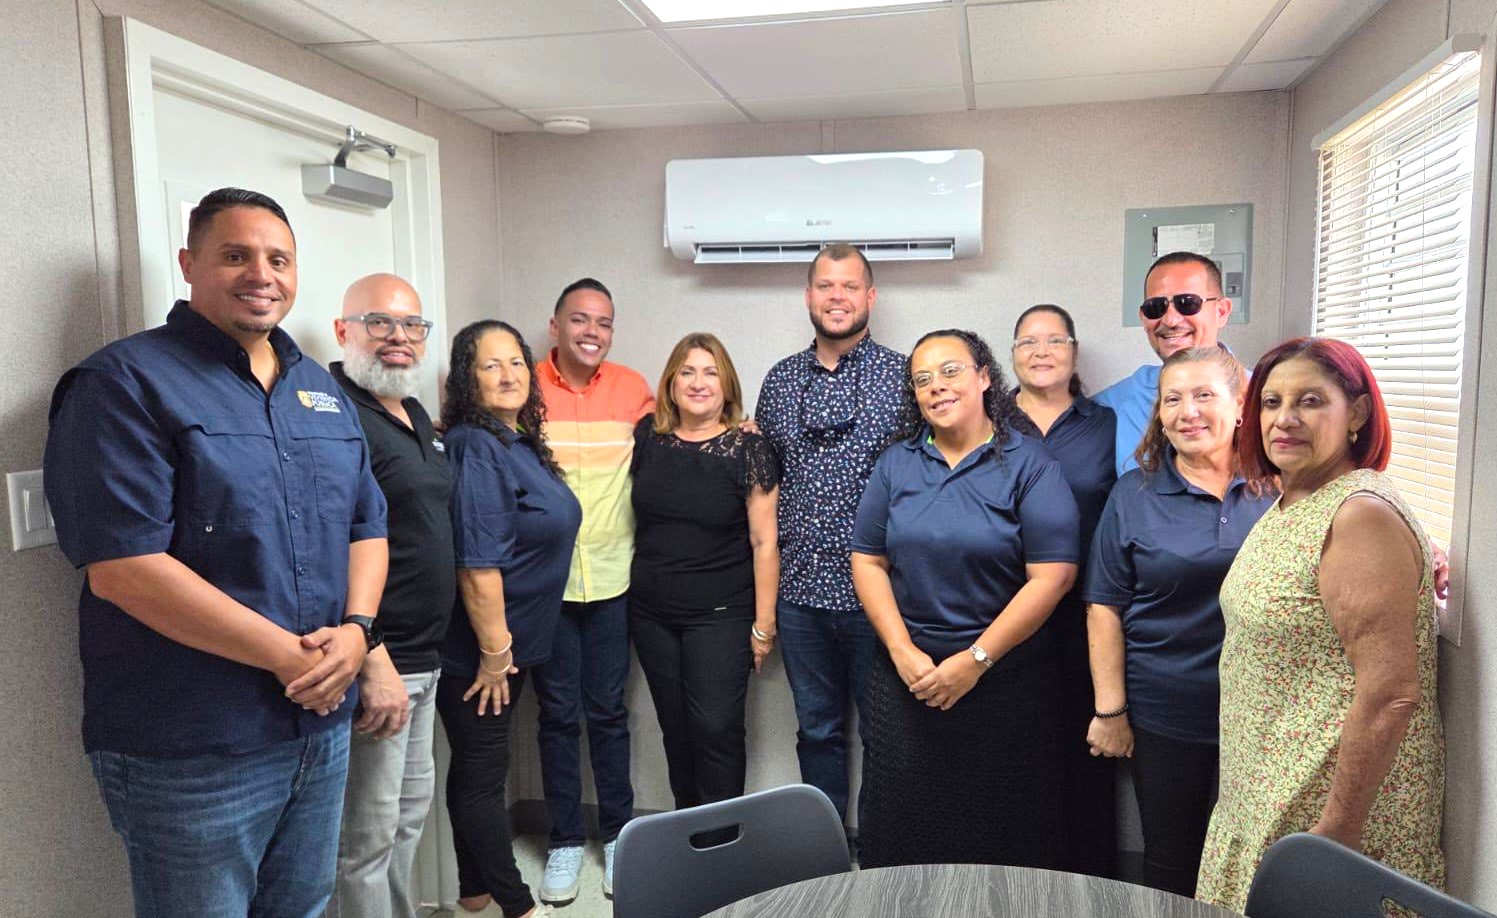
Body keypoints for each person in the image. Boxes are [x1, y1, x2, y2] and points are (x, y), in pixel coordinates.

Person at [43, 187, 389, 918]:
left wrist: (358, 634)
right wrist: (294, 660)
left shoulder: (318, 390)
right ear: (189, 264)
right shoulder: (123, 383)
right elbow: (125, 570)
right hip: (195, 743)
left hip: (317, 730)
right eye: (234, 255)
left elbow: (367, 526)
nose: (260, 274)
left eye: (277, 259)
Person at [1197, 337, 1445, 911]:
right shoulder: (1296, 499)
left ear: (1356, 412)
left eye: (1310, 401)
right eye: (1270, 402)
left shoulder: (1357, 514)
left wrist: (1335, 838)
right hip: (1266, 792)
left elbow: (1391, 695)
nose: (1285, 419)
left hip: (1326, 812)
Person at [850, 328, 1080, 869]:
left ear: (983, 378)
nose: (937, 387)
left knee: (1003, 828)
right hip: (908, 678)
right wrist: (904, 653)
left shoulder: (1030, 464)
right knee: (901, 820)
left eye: (951, 371)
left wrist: (975, 661)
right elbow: (867, 559)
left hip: (1005, 679)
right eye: (922, 380)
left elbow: (1052, 577)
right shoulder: (896, 464)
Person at [1082, 346, 1274, 897]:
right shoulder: (1134, 493)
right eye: (1173, 399)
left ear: (1240, 407)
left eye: (1204, 395)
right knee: (1170, 859)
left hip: (1266, 710)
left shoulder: (1284, 486)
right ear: (1159, 416)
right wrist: (1111, 710)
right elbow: (1103, 608)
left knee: (1261, 856)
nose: (1188, 411)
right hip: (1166, 708)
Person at [755, 244, 906, 838]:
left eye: (849, 286)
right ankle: (821, 854)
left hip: (882, 597)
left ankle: (880, 851)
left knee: (885, 731)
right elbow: (762, 487)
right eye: (825, 285)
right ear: (808, 296)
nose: (836, 296)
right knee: (816, 730)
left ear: (870, 297)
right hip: (799, 597)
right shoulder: (780, 381)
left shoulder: (904, 375)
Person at [437, 320, 579, 918]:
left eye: (517, 362)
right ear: (466, 378)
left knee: (477, 770)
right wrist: (494, 654)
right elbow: (477, 562)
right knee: (480, 781)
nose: (508, 374)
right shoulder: (475, 444)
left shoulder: (515, 442)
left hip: (513, 647)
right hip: (482, 654)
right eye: (490, 364)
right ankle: (518, 907)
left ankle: (473, 893)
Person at [327, 274, 452, 918]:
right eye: (380, 323)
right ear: (344, 329)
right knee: (365, 840)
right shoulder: (332, 409)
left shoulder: (414, 411)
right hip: (380, 660)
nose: (399, 338)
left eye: (412, 326)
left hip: (425, 657)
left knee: (407, 820)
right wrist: (371, 653)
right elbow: (329, 543)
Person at [533, 278, 652, 903]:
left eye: (603, 323)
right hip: (545, 587)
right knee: (555, 717)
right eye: (580, 320)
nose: (592, 332)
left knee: (607, 715)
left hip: (612, 578)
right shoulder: (523, 387)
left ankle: (619, 837)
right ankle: (561, 842)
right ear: (555, 327)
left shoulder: (633, 388)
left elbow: (679, 434)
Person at [630, 333, 781, 811]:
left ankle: (721, 846)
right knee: (674, 730)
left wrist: (763, 625)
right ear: (671, 383)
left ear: (727, 385)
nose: (699, 383)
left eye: (710, 372)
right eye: (688, 372)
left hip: (721, 615)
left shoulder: (747, 448)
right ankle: (686, 840)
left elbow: (764, 542)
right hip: (651, 614)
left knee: (714, 729)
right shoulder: (647, 440)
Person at [1008, 304, 1119, 878]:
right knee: (1016, 751)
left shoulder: (1108, 424)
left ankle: (1090, 885)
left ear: (1074, 352)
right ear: (1011, 356)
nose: (1041, 350)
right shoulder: (988, 422)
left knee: (1087, 750)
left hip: (1087, 613)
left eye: (1054, 339)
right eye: (1028, 341)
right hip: (1005, 610)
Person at [1096, 251, 1233, 474]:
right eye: (1155, 307)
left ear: (1221, 311)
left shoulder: (1264, 394)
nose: (1170, 320)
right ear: (1143, 318)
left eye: (1187, 303)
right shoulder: (1126, 397)